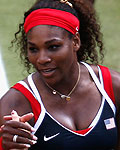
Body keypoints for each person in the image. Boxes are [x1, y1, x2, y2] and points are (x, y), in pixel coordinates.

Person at [0, 0, 120, 149]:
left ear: (75, 42)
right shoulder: (15, 104)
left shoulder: (112, 86)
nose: (42, 59)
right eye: (33, 49)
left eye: (53, 47)